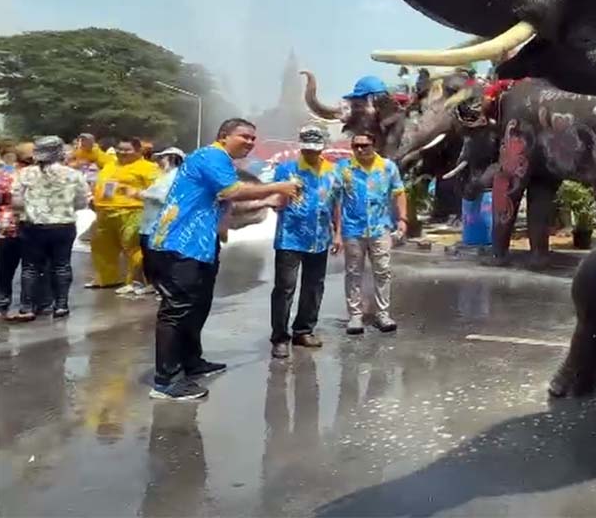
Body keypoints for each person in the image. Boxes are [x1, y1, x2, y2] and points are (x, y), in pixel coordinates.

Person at [147, 118, 300, 401]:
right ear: (224, 136)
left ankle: (191, 362)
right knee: (176, 310)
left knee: (198, 306)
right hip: (179, 244)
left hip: (202, 246)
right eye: (245, 136)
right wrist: (276, 187)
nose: (251, 142)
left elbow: (227, 202)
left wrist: (264, 204)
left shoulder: (224, 162)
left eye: (254, 138)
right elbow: (232, 191)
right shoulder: (210, 155)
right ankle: (166, 381)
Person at [269, 125, 341, 359]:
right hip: (290, 238)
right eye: (307, 149)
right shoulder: (286, 169)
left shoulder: (332, 171)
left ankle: (303, 330)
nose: (311, 153)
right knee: (285, 288)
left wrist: (338, 233)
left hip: (319, 238)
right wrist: (277, 199)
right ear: (301, 146)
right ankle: (280, 337)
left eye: (315, 149)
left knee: (314, 286)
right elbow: (276, 201)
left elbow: (335, 204)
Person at [335, 129, 407, 335]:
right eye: (355, 146)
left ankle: (383, 314)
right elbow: (338, 201)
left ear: (374, 146)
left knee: (383, 271)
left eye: (364, 145)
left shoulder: (387, 167)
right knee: (353, 272)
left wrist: (402, 219)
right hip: (352, 229)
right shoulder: (344, 168)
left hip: (380, 228)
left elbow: (399, 192)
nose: (359, 149)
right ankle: (355, 315)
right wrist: (337, 233)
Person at [11, 136, 89, 319]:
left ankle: (27, 307)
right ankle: (61, 306)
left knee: (30, 267)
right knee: (61, 265)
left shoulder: (25, 174)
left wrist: (31, 209)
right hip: (63, 225)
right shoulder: (73, 174)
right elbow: (81, 202)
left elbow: (16, 201)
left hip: (33, 225)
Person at [88, 137, 160, 293]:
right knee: (101, 247)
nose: (122, 152)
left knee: (133, 248)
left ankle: (135, 281)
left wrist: (136, 194)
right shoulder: (110, 163)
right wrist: (89, 144)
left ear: (138, 151)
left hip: (132, 212)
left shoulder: (148, 168)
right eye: (120, 149)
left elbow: (157, 191)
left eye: (127, 149)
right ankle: (106, 278)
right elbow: (93, 153)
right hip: (104, 212)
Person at [138, 147, 186, 295]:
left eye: (162, 158)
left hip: (161, 223)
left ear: (171, 158)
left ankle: (165, 287)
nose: (159, 162)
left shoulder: (176, 177)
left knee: (160, 258)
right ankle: (153, 285)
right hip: (149, 221)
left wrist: (144, 194)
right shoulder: (163, 176)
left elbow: (167, 198)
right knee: (149, 255)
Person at [0, 143, 33, 317]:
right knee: (32, 268)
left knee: (3, 268)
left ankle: (1, 304)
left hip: (7, 227)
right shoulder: (39, 175)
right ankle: (30, 305)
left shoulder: (5, 175)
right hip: (35, 227)